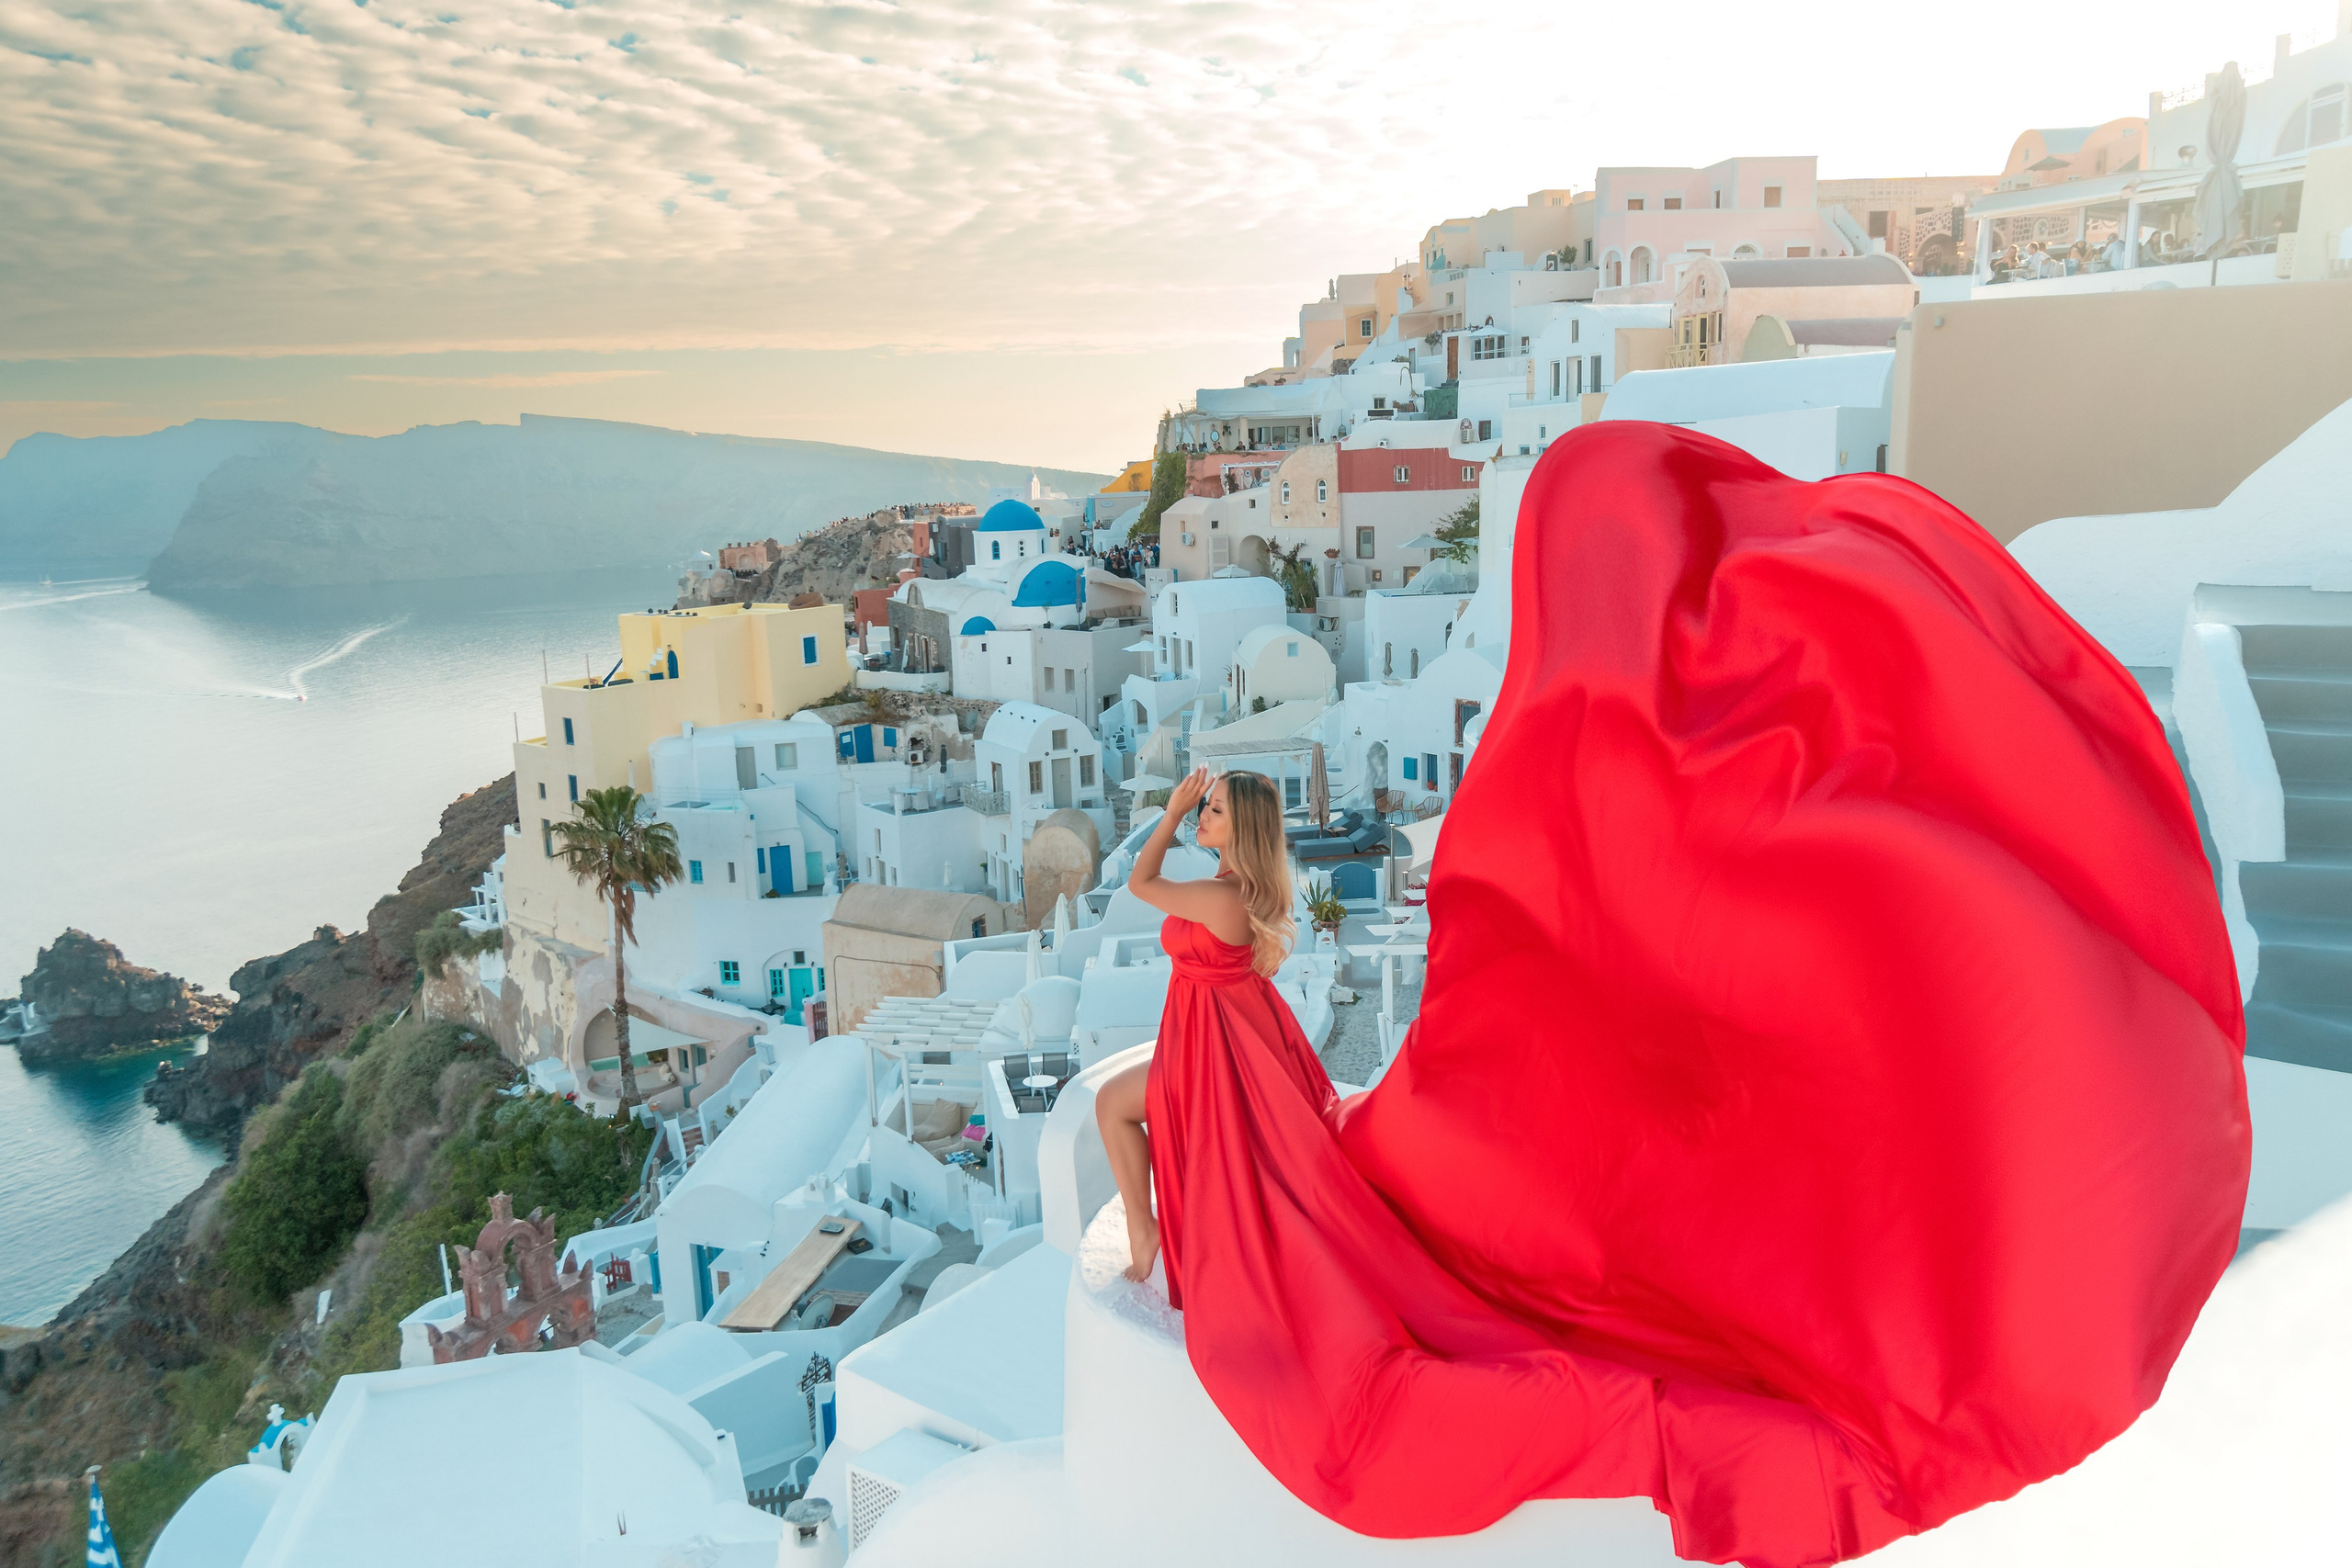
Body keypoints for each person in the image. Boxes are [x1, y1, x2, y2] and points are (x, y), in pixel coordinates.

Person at [1089, 421, 2247, 1568]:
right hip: (1265, 1044)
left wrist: (1175, 816)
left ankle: (1153, 1250)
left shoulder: (1548, 750)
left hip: (1253, 1049)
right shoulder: (1607, 744)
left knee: (1173, 1140)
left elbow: (1155, 885)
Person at [1095, 766, 1306, 1284]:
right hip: (1204, 1041)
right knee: (1114, 1104)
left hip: (1207, 1050)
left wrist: (1168, 814)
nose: (1200, 815)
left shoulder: (1224, 898)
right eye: (1202, 805)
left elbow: (1141, 882)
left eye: (1214, 809)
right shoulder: (1230, 888)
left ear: (1244, 828)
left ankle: (1145, 1234)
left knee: (1111, 1105)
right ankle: (1148, 1231)